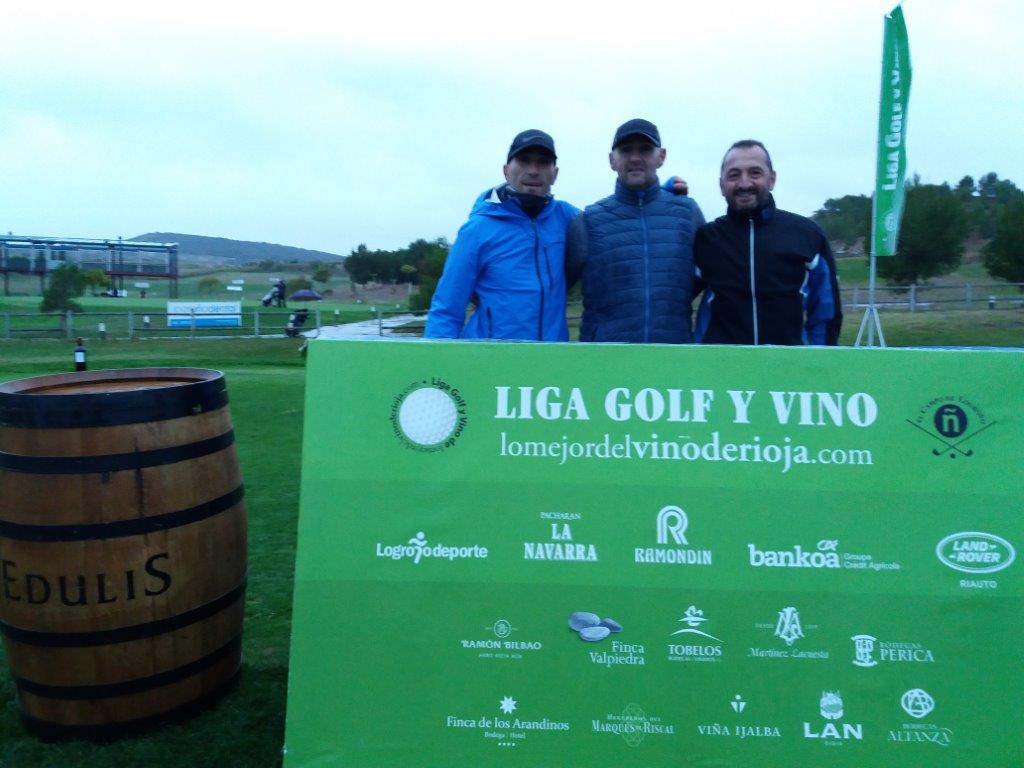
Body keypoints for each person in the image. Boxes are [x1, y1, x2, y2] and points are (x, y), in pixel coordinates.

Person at [425, 130, 579, 340]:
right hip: (489, 361)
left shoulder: (569, 218)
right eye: (524, 161)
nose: (533, 170)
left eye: (543, 162)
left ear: (555, 173)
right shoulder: (476, 230)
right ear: (506, 171)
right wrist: (438, 367)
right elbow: (446, 309)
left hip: (552, 360)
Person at [566, 119, 704, 343]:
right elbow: (556, 287)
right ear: (612, 160)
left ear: (661, 156)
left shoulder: (688, 213)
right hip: (606, 363)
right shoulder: (588, 220)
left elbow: (704, 280)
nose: (635, 158)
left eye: (645, 149)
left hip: (674, 358)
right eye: (626, 150)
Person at [694, 139, 842, 345]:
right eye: (734, 175)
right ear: (721, 184)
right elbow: (670, 294)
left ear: (772, 179)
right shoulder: (706, 239)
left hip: (788, 368)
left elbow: (826, 313)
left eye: (755, 173)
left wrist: (817, 363)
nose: (744, 183)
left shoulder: (807, 235)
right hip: (721, 368)